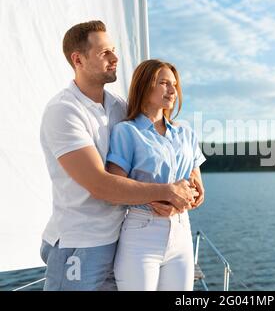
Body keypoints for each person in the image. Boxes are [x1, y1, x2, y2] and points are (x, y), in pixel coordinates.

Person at [39, 21, 197, 291]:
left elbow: (160, 141)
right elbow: (101, 185)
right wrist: (169, 192)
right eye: (104, 53)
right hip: (80, 244)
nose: (115, 58)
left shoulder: (118, 107)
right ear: (78, 59)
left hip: (119, 238)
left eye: (114, 50)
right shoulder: (64, 111)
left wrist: (191, 177)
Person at [106, 59, 206, 291]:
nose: (172, 90)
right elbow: (115, 190)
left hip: (182, 233)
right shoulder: (126, 131)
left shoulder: (186, 133)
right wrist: (165, 196)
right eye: (163, 83)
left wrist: (182, 203)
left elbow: (198, 191)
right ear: (145, 85)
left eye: (174, 84)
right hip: (142, 235)